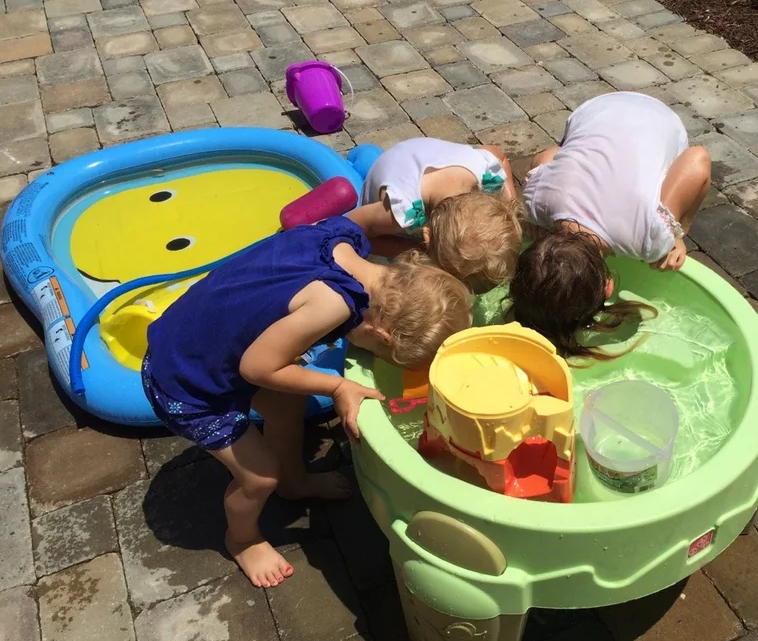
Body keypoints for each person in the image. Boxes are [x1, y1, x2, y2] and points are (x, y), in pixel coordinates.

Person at [142, 216, 472, 588]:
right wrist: (336, 388)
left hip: (192, 336)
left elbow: (358, 224)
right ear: (380, 335)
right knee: (259, 475)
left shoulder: (345, 240)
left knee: (287, 404)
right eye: (386, 356)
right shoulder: (333, 306)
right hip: (187, 383)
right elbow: (256, 367)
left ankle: (294, 482)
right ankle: (242, 539)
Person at [510, 92, 711, 358]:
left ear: (608, 286)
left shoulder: (651, 238)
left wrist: (675, 230)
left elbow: (698, 159)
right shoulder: (536, 204)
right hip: (595, 111)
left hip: (663, 123)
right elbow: (548, 155)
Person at [347, 138, 522, 293]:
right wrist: (413, 250)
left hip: (422, 155)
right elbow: (351, 230)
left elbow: (498, 154)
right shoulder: (402, 214)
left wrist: (511, 205)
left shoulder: (486, 170)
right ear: (426, 237)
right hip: (388, 178)